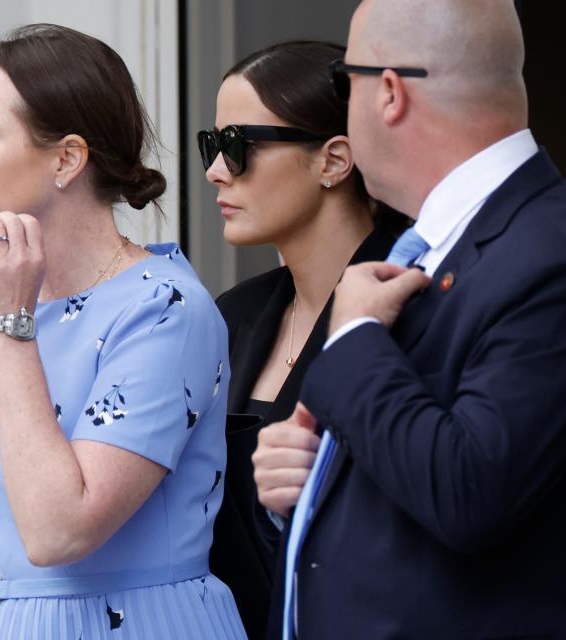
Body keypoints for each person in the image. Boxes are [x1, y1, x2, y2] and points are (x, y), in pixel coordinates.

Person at [252, 1, 566, 638]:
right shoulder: (442, 247)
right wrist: (316, 478)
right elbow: (411, 457)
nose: (345, 105)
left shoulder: (560, 265)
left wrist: (355, 340)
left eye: (342, 80)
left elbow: (467, 490)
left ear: (389, 91)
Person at [0, 24, 245, 639]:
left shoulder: (166, 310)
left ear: (67, 158)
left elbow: (58, 530)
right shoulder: (4, 291)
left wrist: (10, 326)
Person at [199, 40, 405, 638]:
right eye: (212, 145)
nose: (216, 169)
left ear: (334, 161)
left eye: (238, 145)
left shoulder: (413, 305)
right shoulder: (233, 315)